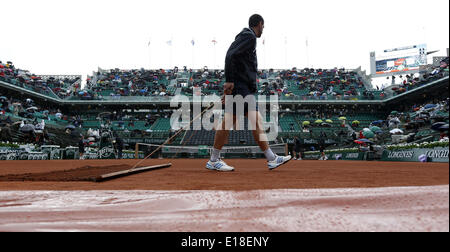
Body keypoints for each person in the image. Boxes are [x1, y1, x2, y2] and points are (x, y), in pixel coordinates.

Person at [206, 14, 291, 171]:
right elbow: (230, 55)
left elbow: (236, 59)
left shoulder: (247, 36)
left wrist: (231, 87)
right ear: (259, 24)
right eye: (263, 27)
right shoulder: (249, 36)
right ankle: (214, 159)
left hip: (242, 87)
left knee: (249, 120)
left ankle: (271, 158)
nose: (263, 30)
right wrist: (230, 82)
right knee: (239, 120)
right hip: (241, 86)